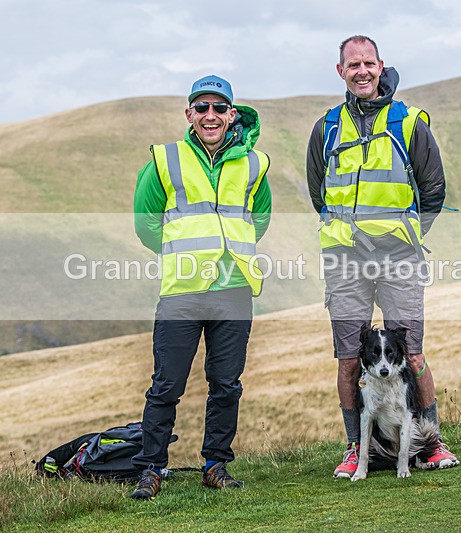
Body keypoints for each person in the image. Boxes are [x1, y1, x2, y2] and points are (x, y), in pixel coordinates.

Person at [305, 35, 459, 478]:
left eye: (368, 63)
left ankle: (430, 442)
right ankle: (356, 448)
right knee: (349, 359)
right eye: (353, 65)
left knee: (411, 353)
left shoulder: (408, 122)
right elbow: (320, 193)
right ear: (341, 71)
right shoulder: (327, 127)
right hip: (345, 258)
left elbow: (434, 189)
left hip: (399, 256)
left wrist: (406, 235)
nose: (361, 72)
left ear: (381, 66)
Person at [130, 75, 272, 499]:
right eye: (201, 107)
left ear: (232, 115)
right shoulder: (164, 160)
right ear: (189, 114)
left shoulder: (254, 164)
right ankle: (151, 469)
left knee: (226, 384)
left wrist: (232, 250)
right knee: (166, 385)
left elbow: (259, 218)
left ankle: (216, 465)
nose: (210, 115)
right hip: (182, 291)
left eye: (218, 107)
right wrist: (183, 254)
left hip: (234, 290)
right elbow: (145, 223)